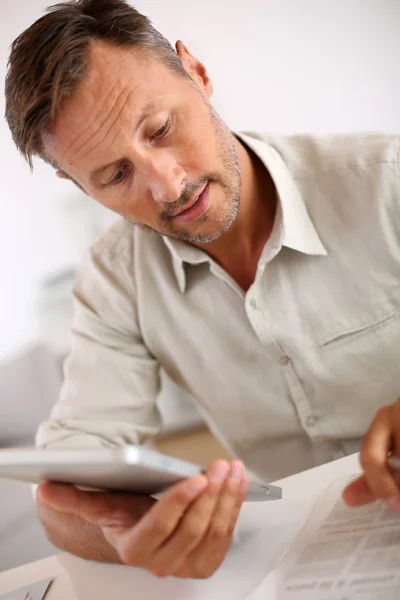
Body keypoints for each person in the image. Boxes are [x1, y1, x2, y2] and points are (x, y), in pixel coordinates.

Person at [5, 0, 400, 580]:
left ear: (197, 72)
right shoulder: (116, 281)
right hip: (309, 562)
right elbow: (62, 499)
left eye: (161, 129)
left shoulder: (385, 179)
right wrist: (123, 533)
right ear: (78, 186)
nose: (169, 185)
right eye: (116, 175)